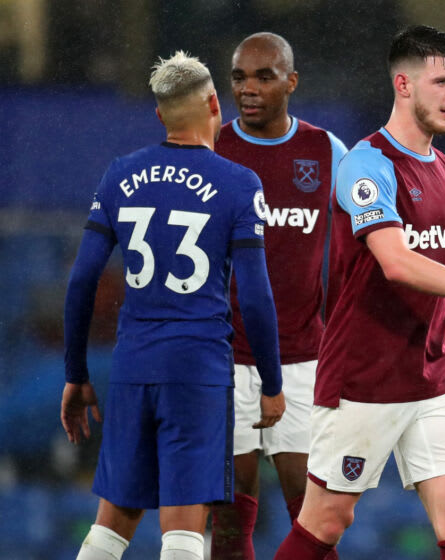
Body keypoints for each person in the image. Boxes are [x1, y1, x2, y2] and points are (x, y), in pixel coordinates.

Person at [273, 25, 445, 560]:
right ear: (403, 85)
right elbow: (397, 263)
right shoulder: (366, 164)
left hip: (431, 374)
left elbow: (421, 257)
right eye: (444, 81)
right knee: (327, 521)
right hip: (363, 376)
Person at [60, 51, 286, 560]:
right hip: (196, 368)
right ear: (215, 105)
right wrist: (272, 382)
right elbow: (253, 294)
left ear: (160, 115)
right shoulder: (238, 183)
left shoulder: (119, 175)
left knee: (111, 524)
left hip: (134, 363)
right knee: (183, 529)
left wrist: (76, 373)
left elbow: (81, 281)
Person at [210, 32, 347, 559]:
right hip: (227, 358)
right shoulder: (214, 148)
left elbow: (365, 242)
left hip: (303, 361)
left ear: (292, 82)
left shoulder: (326, 151)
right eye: (240, 77)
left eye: (264, 77)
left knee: (315, 523)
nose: (249, 88)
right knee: (227, 526)